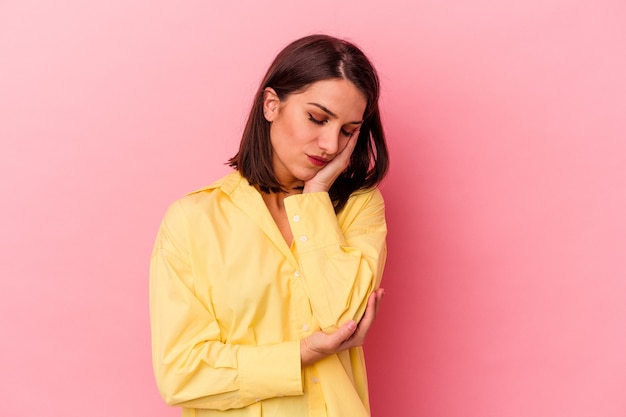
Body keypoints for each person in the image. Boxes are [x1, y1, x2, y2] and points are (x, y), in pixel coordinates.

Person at [150, 34, 390, 417]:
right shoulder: (193, 220)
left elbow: (343, 321)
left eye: (347, 130)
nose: (330, 144)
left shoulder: (358, 208)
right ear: (271, 104)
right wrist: (304, 353)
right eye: (317, 118)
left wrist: (315, 197)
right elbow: (181, 373)